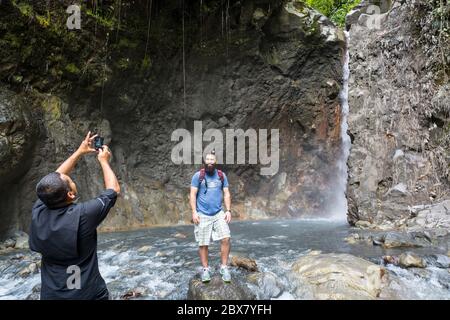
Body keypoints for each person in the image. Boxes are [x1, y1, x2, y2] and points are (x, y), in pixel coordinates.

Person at [29, 132, 120, 300]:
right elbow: (113, 191)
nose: (70, 178)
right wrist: (104, 161)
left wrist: (79, 152)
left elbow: (51, 182)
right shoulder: (84, 214)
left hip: (52, 294)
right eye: (70, 180)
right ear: (70, 194)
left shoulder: (40, 208)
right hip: (88, 294)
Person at [189, 152, 232, 283]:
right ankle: (206, 269)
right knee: (203, 243)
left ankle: (224, 267)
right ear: (204, 161)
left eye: (212, 159)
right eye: (207, 159)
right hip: (202, 214)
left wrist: (228, 210)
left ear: (216, 160)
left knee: (226, 238)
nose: (209, 161)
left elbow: (226, 193)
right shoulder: (198, 176)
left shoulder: (221, 175)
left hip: (218, 213)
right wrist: (194, 212)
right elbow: (192, 194)